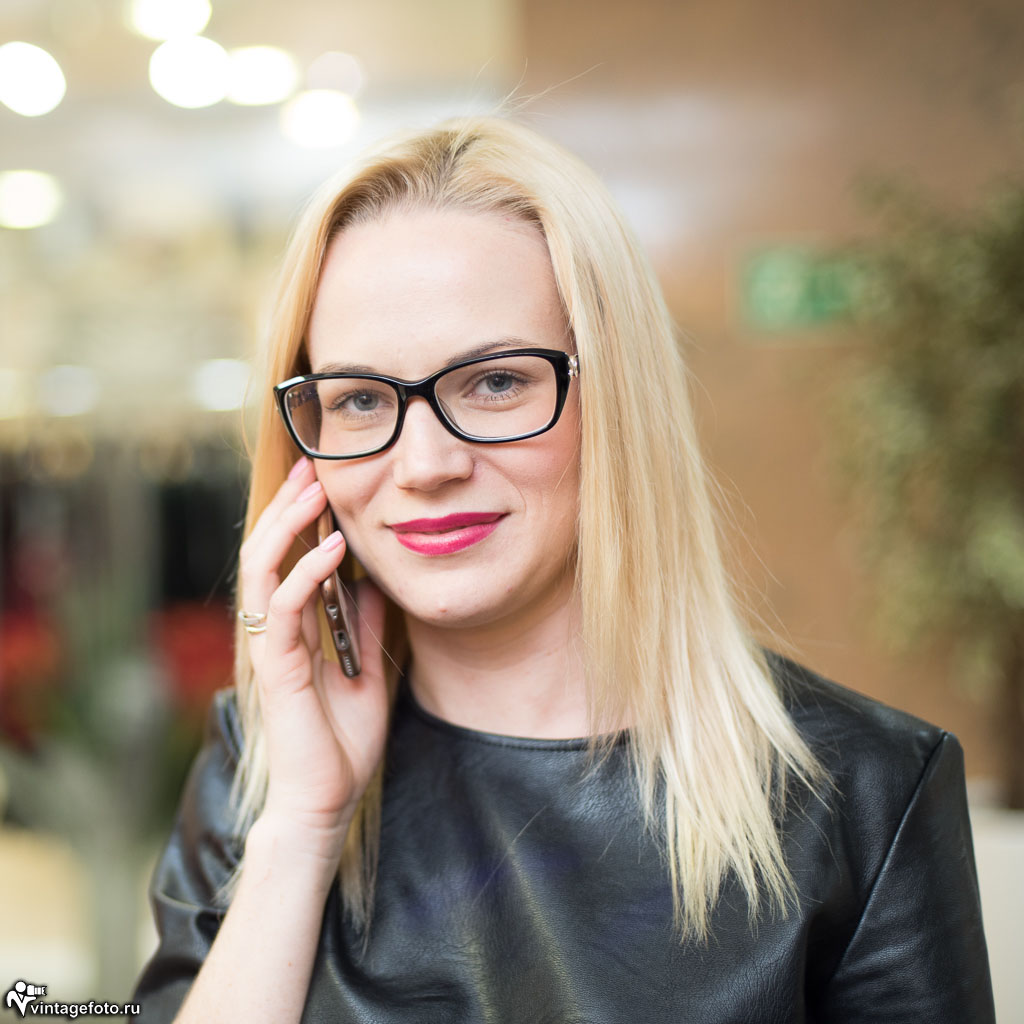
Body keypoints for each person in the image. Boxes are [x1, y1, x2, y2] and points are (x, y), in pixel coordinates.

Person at [131, 116, 995, 1023]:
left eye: (497, 382)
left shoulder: (866, 793)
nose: (423, 465)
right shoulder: (264, 762)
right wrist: (303, 831)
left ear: (615, 397)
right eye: (358, 399)